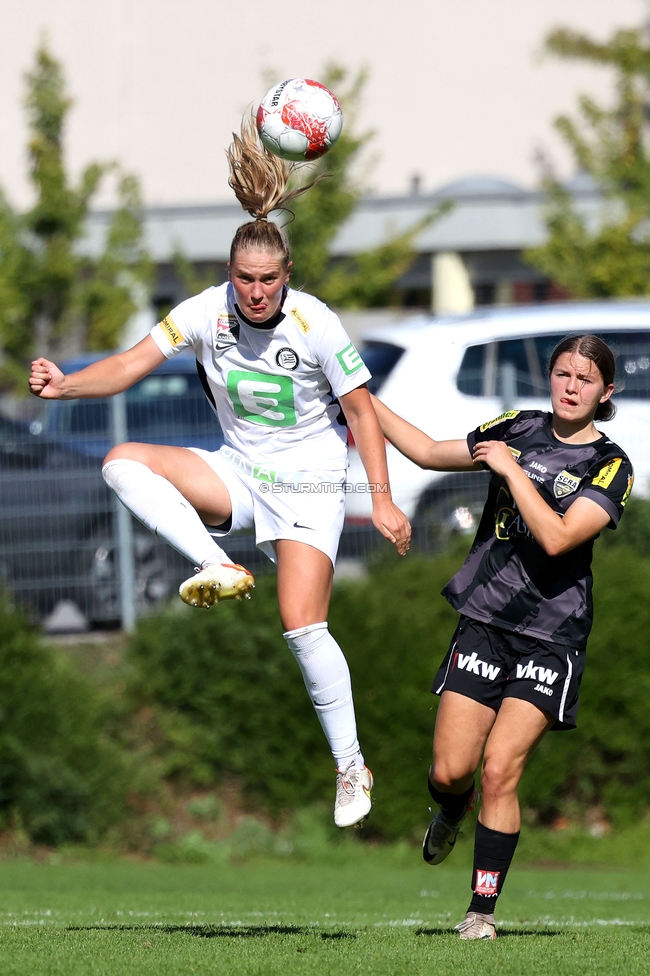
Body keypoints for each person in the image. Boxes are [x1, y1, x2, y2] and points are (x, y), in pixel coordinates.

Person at [29, 116, 411, 829]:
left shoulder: (317, 323)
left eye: (268, 280)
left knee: (302, 627)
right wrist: (66, 384)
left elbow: (362, 414)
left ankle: (350, 765)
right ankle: (217, 566)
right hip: (239, 471)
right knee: (121, 462)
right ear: (228, 275)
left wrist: (383, 502)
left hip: (310, 483)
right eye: (245, 279)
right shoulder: (205, 313)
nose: (256, 291)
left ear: (287, 277)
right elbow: (128, 364)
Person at [371, 334, 633, 938]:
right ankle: (448, 807)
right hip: (485, 622)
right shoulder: (516, 426)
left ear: (605, 392)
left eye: (585, 380)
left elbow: (560, 538)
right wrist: (358, 392)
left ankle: (480, 914)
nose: (571, 387)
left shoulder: (611, 465)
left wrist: (511, 470)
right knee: (449, 770)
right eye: (563, 374)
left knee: (500, 769)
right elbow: (428, 452)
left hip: (551, 635)